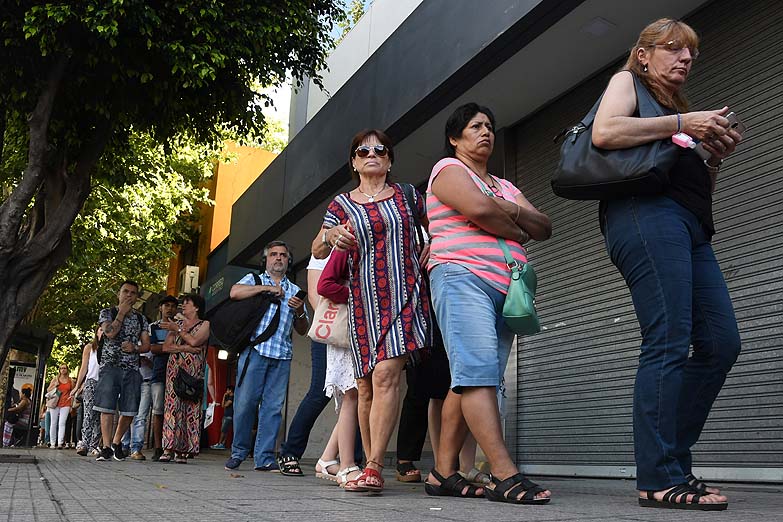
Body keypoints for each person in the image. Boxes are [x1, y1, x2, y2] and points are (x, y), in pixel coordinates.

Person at [591, 19, 742, 511]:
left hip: (690, 226)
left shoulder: (677, 111)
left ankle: (671, 459)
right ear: (643, 54)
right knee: (669, 339)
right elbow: (605, 132)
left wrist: (711, 156)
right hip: (644, 216)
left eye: (690, 53)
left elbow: (695, 188)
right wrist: (683, 124)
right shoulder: (627, 84)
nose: (684, 58)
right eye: (673, 48)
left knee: (721, 343)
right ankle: (657, 477)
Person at [425, 103, 552, 504]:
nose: (486, 133)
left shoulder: (505, 186)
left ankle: (443, 473)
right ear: (455, 138)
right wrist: (517, 226)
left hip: (505, 286)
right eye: (475, 126)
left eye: (490, 127)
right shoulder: (447, 171)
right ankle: (503, 473)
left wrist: (512, 210)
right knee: (478, 374)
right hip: (461, 276)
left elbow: (544, 227)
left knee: (471, 379)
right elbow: (479, 210)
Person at [311, 129, 431, 492]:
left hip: (405, 297)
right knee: (364, 388)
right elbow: (316, 247)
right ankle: (367, 463)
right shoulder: (341, 204)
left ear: (390, 159)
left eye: (380, 150)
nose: (371, 154)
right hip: (362, 304)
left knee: (385, 377)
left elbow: (438, 226)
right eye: (363, 151)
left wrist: (435, 245)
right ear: (354, 161)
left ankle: (375, 466)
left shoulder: (409, 196)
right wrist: (331, 237)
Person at [223, 241, 308, 472]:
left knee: (272, 409)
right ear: (266, 259)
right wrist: (267, 289)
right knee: (244, 405)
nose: (278, 258)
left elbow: (302, 328)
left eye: (283, 255)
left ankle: (265, 458)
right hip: (256, 352)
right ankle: (239, 452)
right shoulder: (255, 280)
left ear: (289, 260)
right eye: (273, 254)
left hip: (282, 356)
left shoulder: (294, 290)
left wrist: (299, 310)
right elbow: (234, 292)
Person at [315, 249, 363, 489]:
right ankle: (346, 465)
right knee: (352, 394)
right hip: (345, 331)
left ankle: (326, 459)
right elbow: (324, 285)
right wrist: (359, 295)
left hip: (356, 330)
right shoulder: (347, 242)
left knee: (353, 396)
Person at [93, 280, 151, 461]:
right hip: (110, 367)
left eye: (133, 293)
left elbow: (147, 345)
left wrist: (135, 347)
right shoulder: (107, 313)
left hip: (132, 368)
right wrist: (121, 314)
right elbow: (109, 333)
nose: (129, 295)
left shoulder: (142, 319)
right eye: (125, 291)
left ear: (137, 297)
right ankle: (106, 446)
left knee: (129, 409)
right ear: (119, 294)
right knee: (106, 407)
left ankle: (117, 443)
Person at [158, 293, 210, 464]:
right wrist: (185, 348)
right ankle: (167, 449)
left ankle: (183, 451)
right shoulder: (176, 324)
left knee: (190, 409)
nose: (183, 306)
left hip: (194, 372)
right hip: (175, 370)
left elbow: (196, 341)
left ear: (196, 307)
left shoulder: (205, 324)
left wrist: (180, 334)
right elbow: (166, 347)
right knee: (172, 408)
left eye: (187, 303)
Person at [149, 295, 178, 461]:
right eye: (166, 305)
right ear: (160, 308)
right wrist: (171, 348)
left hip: (177, 373)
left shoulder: (180, 326)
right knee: (158, 410)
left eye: (173, 306)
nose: (170, 309)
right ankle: (158, 447)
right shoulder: (153, 327)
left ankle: (172, 446)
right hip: (159, 373)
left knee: (174, 411)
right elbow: (152, 348)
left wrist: (166, 348)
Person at [72, 328, 102, 456]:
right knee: (89, 413)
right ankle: (84, 443)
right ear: (97, 332)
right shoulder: (90, 347)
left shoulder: (110, 348)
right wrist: (77, 386)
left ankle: (94, 445)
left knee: (101, 416)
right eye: (100, 330)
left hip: (106, 383)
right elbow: (84, 367)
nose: (103, 332)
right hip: (91, 382)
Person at [46, 363, 75, 450]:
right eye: (61, 368)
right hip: (55, 403)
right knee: (53, 423)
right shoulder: (55, 379)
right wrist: (55, 385)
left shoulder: (70, 381)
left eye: (65, 368)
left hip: (66, 403)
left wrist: (71, 405)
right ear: (59, 370)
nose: (63, 370)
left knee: (62, 423)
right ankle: (52, 443)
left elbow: (72, 393)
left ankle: (60, 443)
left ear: (67, 369)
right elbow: (48, 390)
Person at [210, 385, 233, 450]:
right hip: (226, 415)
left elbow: (224, 405)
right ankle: (222, 444)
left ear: (230, 390)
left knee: (223, 430)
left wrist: (224, 396)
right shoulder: (228, 397)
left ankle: (220, 443)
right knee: (224, 430)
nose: (226, 391)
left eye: (227, 390)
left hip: (229, 416)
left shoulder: (232, 398)